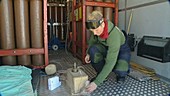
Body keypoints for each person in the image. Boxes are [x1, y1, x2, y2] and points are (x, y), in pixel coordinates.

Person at [85, 11, 131, 93]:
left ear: (102, 24)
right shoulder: (96, 28)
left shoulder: (114, 35)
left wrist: (97, 82)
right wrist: (88, 53)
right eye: (92, 31)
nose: (94, 33)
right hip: (107, 47)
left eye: (96, 30)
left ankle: (121, 73)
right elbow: (92, 41)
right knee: (93, 50)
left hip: (121, 50)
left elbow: (110, 61)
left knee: (121, 70)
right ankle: (102, 75)